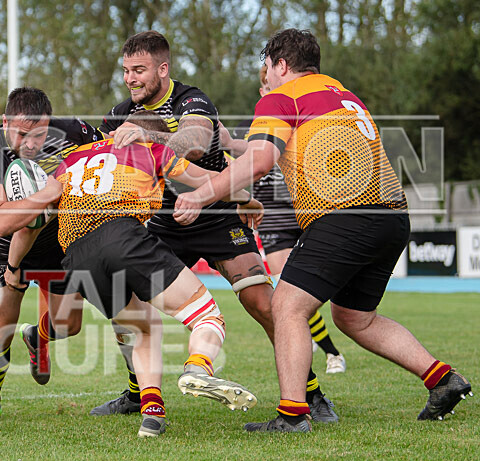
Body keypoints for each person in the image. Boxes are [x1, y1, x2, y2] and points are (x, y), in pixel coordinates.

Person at [178, 28, 472, 432]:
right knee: (355, 318)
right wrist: (235, 142)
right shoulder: (342, 95)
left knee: (286, 307)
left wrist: (202, 194)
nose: (265, 77)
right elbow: (288, 142)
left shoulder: (280, 97)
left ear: (281, 65)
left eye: (267, 67)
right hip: (391, 217)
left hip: (345, 215)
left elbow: (263, 161)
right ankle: (442, 379)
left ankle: (293, 414)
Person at [90, 30, 338, 423]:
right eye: (125, 71)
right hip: (162, 220)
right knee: (127, 302)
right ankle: (139, 393)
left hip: (216, 213)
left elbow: (197, 139)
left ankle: (311, 395)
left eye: (139, 70)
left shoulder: (192, 98)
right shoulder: (119, 112)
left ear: (162, 68)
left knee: (263, 303)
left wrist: (149, 137)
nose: (130, 79)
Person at [7, 111, 262, 437]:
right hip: (120, 235)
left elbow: (35, 220)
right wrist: (247, 199)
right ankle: (199, 367)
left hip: (76, 257)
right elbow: (206, 180)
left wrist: (13, 267)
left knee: (141, 327)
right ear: (153, 135)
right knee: (206, 315)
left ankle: (152, 416)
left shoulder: (71, 159)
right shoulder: (152, 148)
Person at [0, 87, 102, 423]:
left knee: (69, 326)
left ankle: (36, 336)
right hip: (3, 251)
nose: (30, 143)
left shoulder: (71, 129)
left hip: (55, 245)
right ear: (5, 121)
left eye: (38, 134)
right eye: (22, 134)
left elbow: (108, 148)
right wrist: (48, 194)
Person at [221, 65, 346, 374]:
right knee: (289, 286)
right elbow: (236, 165)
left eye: (271, 87)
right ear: (261, 92)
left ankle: (308, 334)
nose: (268, 93)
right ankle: (332, 352)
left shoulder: (298, 116)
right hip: (273, 218)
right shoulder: (248, 127)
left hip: (307, 210)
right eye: (264, 89)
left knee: (306, 292)